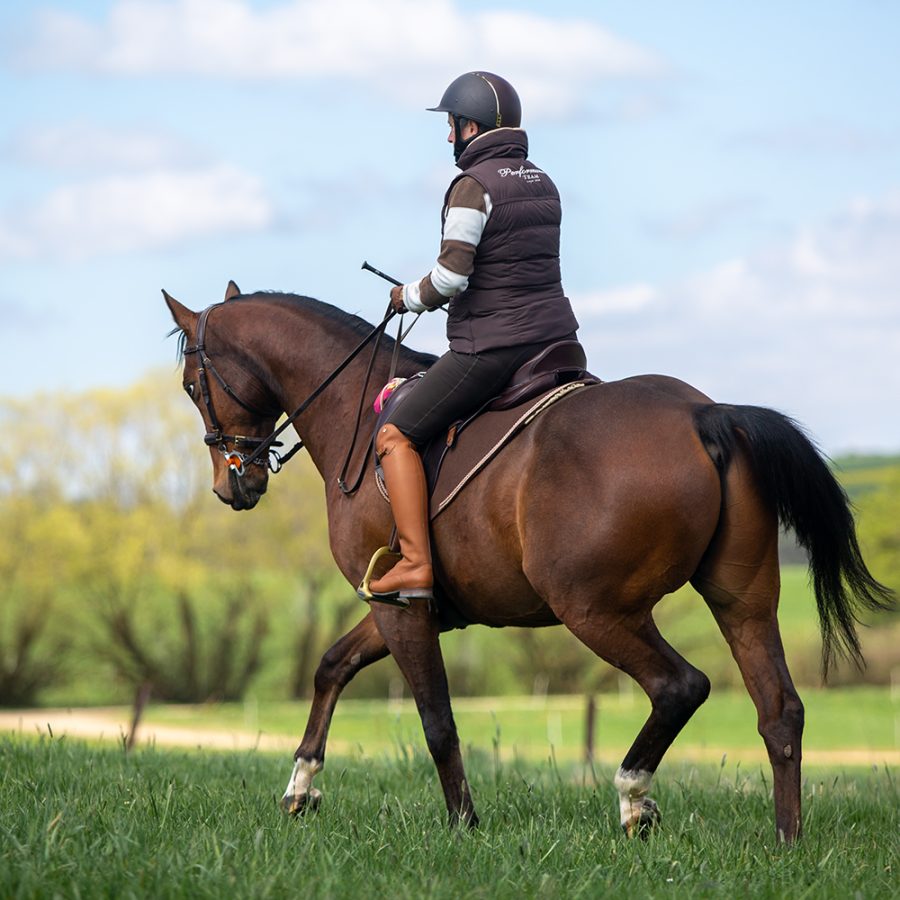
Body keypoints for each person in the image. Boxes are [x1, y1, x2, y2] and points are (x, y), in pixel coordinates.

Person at [367, 71, 581, 602]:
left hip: (491, 349)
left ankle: (415, 563)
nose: (448, 137)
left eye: (452, 125)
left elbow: (452, 277)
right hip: (556, 342)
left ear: (473, 126)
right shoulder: (543, 182)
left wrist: (407, 296)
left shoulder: (473, 185)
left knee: (394, 434)